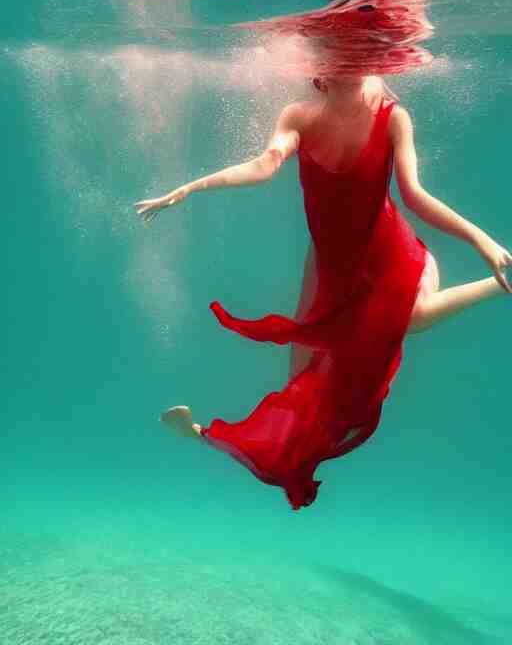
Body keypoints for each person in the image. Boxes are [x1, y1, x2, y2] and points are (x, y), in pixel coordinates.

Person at [135, 75, 512, 510]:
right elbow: (264, 164)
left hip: (391, 255)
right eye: (342, 65)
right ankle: (203, 435)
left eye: (362, 63)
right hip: (331, 273)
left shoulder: (393, 119)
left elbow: (415, 195)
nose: (353, 70)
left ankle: (500, 285)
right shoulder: (299, 117)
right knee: (303, 389)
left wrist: (481, 240)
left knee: (413, 318)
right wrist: (190, 187)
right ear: (321, 77)